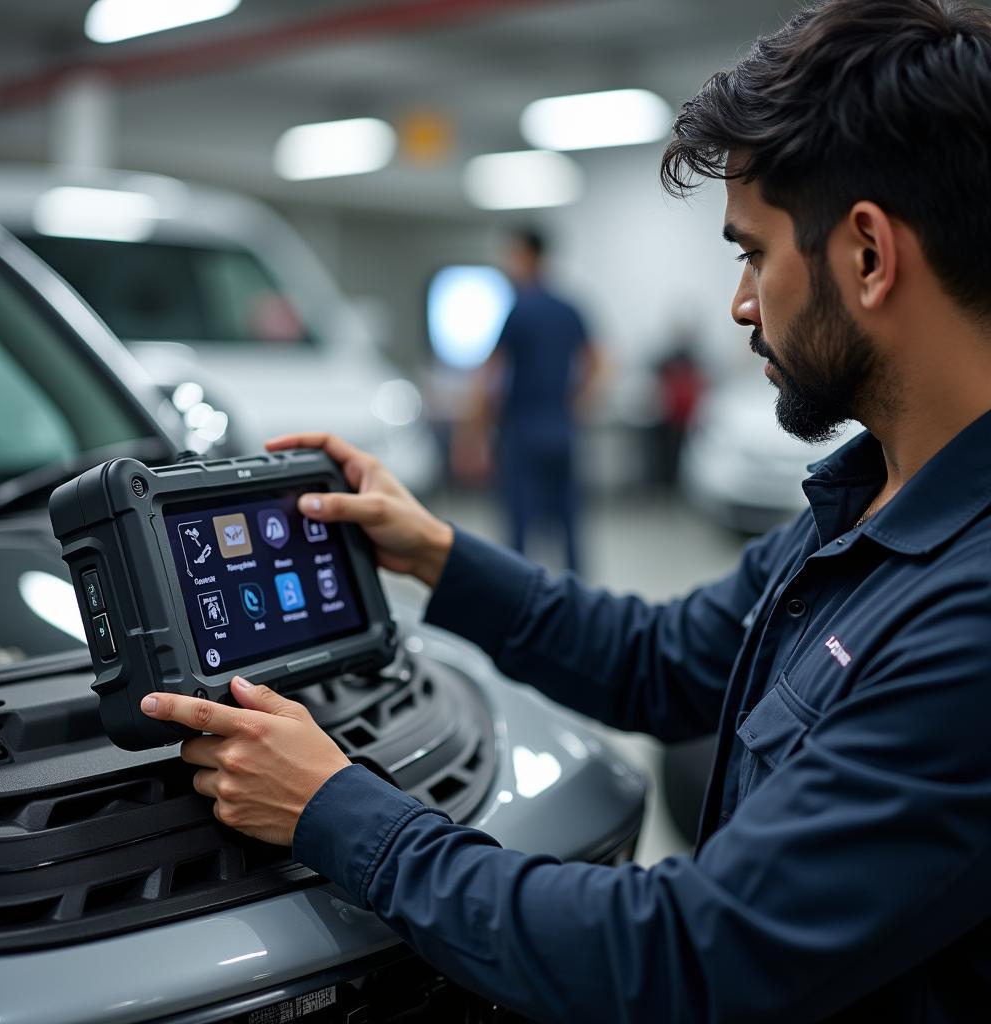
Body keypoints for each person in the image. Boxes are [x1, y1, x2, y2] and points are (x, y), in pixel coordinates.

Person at [140, 1, 991, 1019]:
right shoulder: (865, 501)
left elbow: (683, 956)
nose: (740, 304)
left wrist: (335, 809)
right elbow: (660, 658)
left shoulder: (971, 618)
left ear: (865, 256)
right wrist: (438, 555)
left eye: (751, 252)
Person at [453, 228, 602, 574]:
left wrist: (471, 436)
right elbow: (598, 362)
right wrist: (574, 403)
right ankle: (577, 603)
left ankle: (519, 601)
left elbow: (488, 376)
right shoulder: (568, 309)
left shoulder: (518, 311)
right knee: (568, 525)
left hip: (522, 434)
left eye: (512, 256)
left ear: (527, 256)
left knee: (518, 528)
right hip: (561, 431)